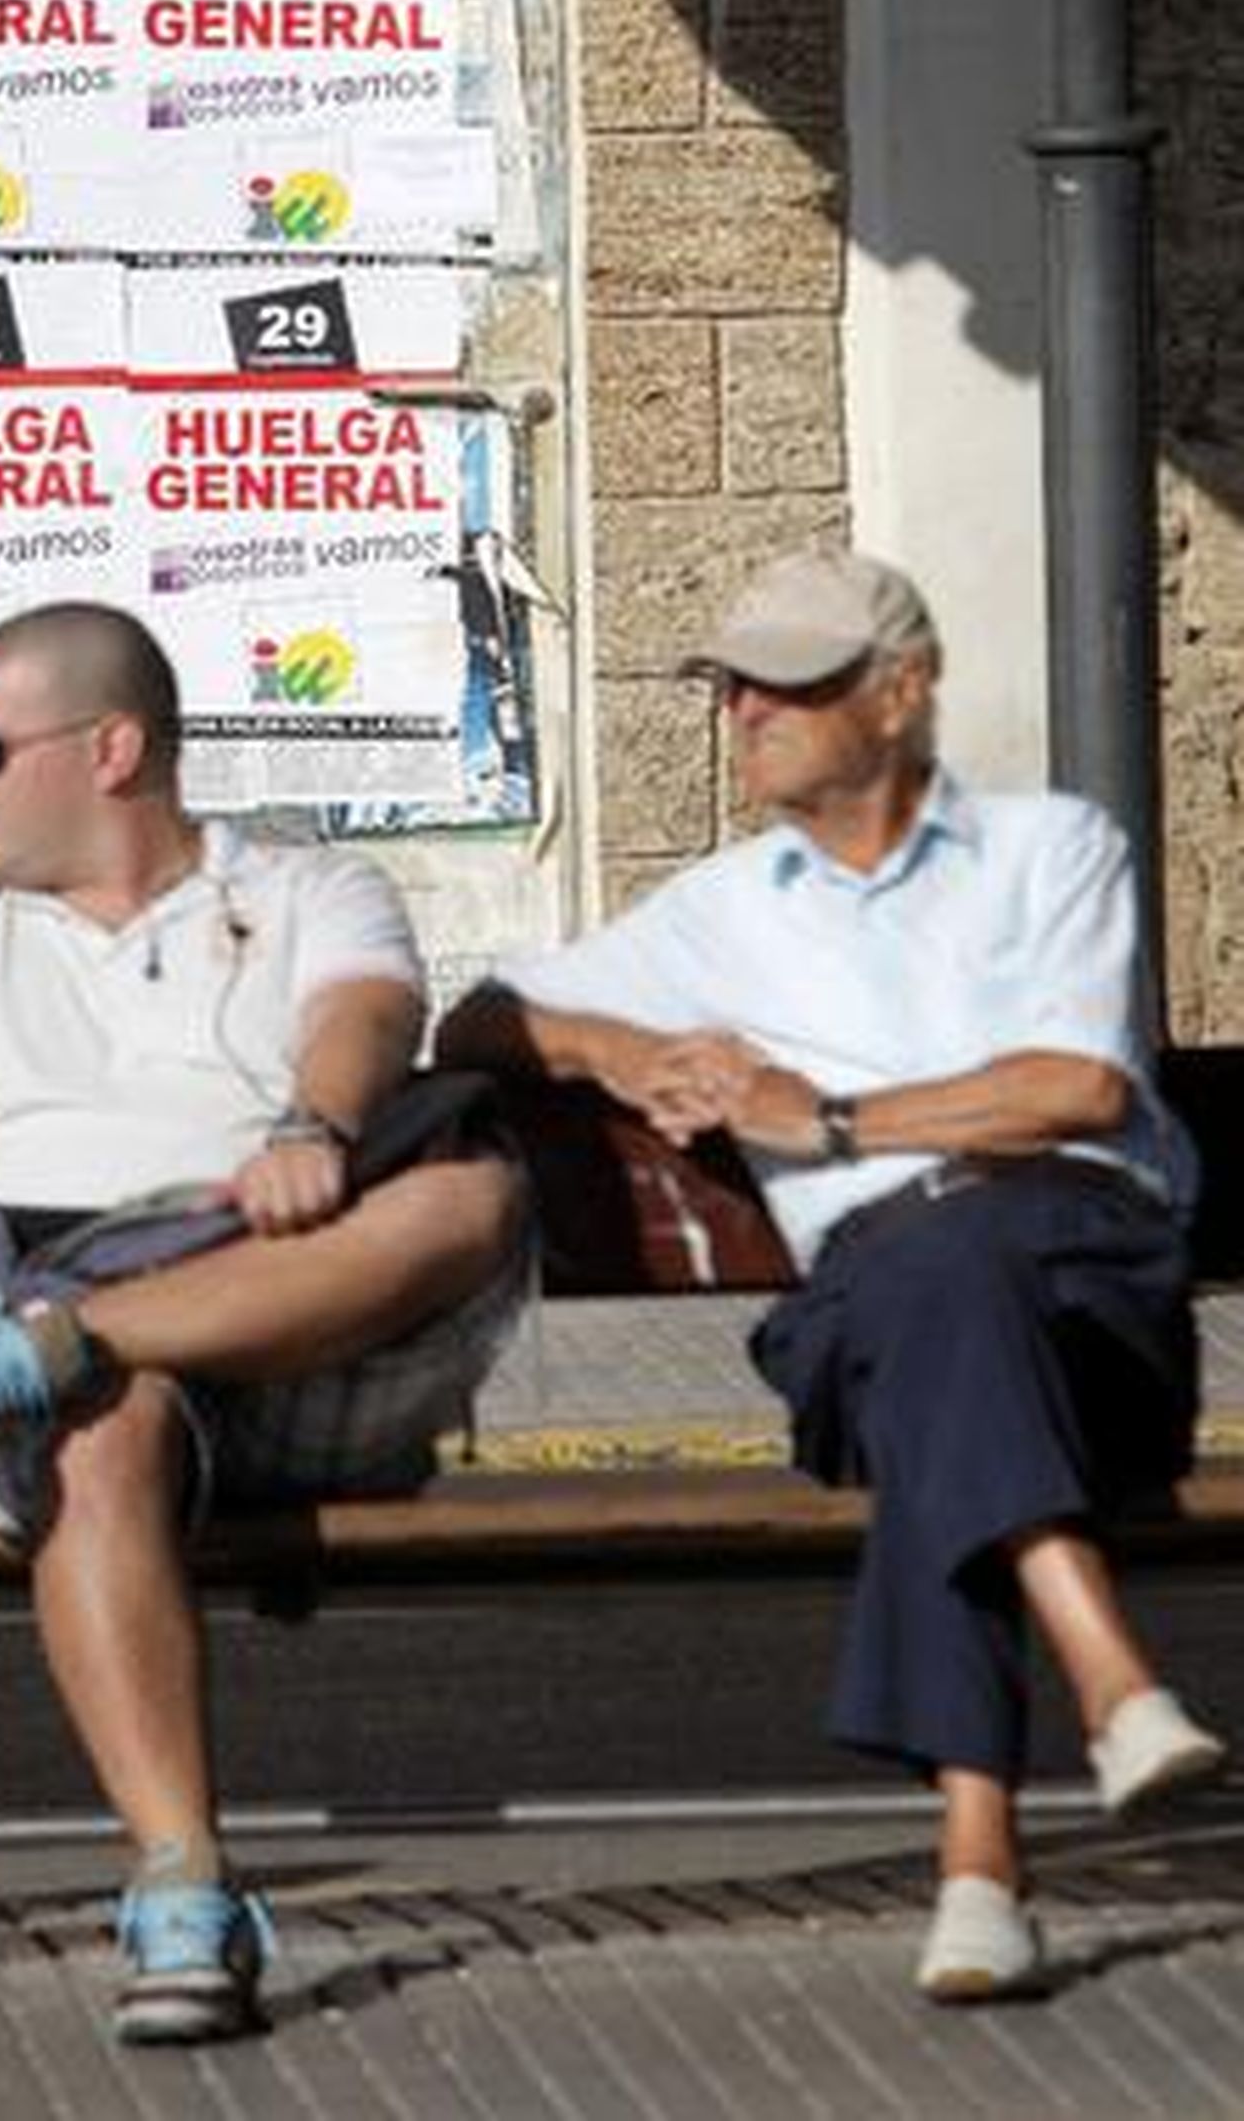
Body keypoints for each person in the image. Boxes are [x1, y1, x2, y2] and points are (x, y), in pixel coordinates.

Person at [0, 600, 526, 2045]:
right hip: (58, 1373)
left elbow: (367, 1015)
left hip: (300, 1338)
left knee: (472, 1198)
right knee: (98, 1423)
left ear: (114, 748)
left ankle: (91, 1333)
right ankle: (185, 1881)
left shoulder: (312, 886)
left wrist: (316, 1122)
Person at [438, 546, 1225, 2003]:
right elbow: (480, 1022)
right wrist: (630, 1047)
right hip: (876, 1301)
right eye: (732, 687)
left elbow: (1073, 1089)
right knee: (929, 1284)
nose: (746, 712)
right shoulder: (726, 907)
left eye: (787, 685)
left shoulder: (1052, 848)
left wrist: (837, 1122)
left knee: (950, 1276)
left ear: (901, 693)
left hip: (1081, 1271)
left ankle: (983, 1855)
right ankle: (1100, 1677)